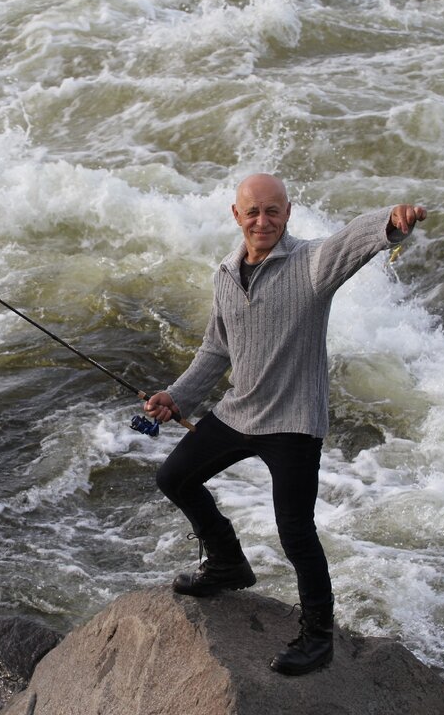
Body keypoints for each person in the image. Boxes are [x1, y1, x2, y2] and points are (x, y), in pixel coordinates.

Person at [144, 173, 427, 677]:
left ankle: (318, 637)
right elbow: (215, 350)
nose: (262, 221)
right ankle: (229, 563)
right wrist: (176, 396)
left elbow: (352, 241)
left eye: (272, 211)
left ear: (288, 213)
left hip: (294, 421)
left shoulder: (311, 266)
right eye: (252, 212)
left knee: (295, 533)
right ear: (236, 216)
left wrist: (391, 222)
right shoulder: (225, 276)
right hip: (239, 411)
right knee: (174, 478)